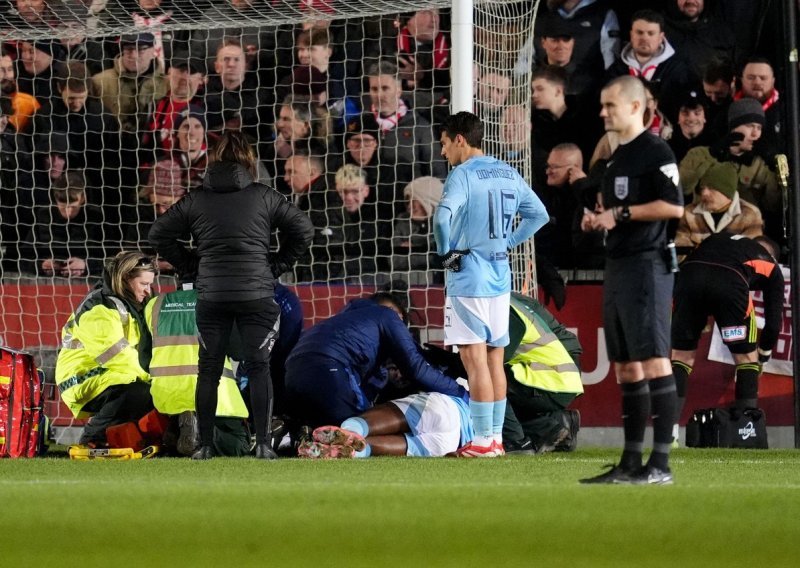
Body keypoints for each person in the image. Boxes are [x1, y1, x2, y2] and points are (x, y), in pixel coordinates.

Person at [148, 130, 314, 460]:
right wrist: (275, 266)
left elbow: (158, 234)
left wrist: (191, 265)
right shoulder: (264, 196)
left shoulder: (197, 198)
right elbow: (304, 230)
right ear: (250, 161)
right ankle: (265, 444)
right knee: (259, 366)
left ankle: (205, 445)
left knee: (208, 368)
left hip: (212, 296)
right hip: (256, 294)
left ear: (214, 161)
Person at [579, 76, 684, 484]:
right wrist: (598, 220)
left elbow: (673, 208)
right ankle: (629, 463)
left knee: (655, 360)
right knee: (625, 367)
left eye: (610, 105)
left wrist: (619, 216)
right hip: (619, 264)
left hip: (648, 267)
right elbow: (613, 208)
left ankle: (660, 465)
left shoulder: (656, 150)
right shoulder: (615, 158)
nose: (603, 113)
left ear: (636, 107)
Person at [433, 111, 549, 457]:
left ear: (459, 140)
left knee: (474, 360)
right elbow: (539, 215)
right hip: (500, 278)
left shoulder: (461, 175)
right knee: (495, 359)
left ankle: (483, 441)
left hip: (469, 278)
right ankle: (495, 439)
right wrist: (509, 242)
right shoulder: (507, 171)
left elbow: (442, 218)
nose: (442, 154)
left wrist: (445, 255)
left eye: (443, 144)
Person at [284, 291, 467, 429]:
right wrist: (463, 395)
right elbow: (417, 369)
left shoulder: (344, 322)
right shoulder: (386, 316)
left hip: (291, 378)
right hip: (329, 372)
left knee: (325, 427)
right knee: (359, 430)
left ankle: (290, 430)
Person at [671, 233, 783, 428]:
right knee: (747, 360)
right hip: (730, 281)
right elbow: (773, 325)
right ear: (773, 256)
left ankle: (668, 436)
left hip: (687, 278)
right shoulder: (772, 266)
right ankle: (746, 433)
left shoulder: (718, 239)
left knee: (680, 358)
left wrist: (696, 316)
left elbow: (689, 265)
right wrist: (762, 358)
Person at [55, 251, 156, 447]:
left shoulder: (135, 305)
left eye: (150, 284)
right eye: (144, 284)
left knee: (152, 392)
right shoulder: (98, 307)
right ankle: (92, 438)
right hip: (81, 376)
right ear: (125, 278)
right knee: (139, 392)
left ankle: (125, 437)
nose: (148, 291)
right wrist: (152, 377)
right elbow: (116, 356)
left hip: (110, 374)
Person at [674, 162, 763, 256]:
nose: (704, 193)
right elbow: (680, 251)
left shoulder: (750, 214)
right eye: (702, 188)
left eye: (711, 188)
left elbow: (751, 254)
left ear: (727, 192)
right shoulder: (689, 213)